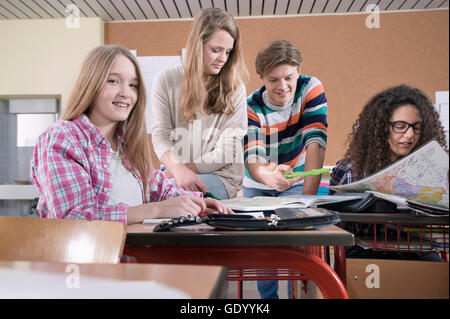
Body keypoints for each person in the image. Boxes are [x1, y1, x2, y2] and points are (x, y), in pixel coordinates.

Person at [30, 45, 232, 225]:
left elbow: (161, 190)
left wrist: (197, 202)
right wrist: (155, 210)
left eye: (133, 85)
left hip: (133, 258)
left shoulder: (126, 146)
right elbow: (73, 218)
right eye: (113, 81)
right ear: (90, 84)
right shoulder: (62, 137)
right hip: (85, 264)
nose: (126, 93)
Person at [243, 40, 328, 299]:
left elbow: (315, 139)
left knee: (300, 239)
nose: (282, 86)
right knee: (264, 246)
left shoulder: (310, 88)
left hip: (298, 177)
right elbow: (253, 156)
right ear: (261, 78)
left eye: (289, 77)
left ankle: (300, 293)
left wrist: (307, 198)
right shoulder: (250, 106)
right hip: (259, 182)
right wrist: (268, 176)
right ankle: (269, 300)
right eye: (273, 80)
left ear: (299, 70)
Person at [329, 84, 448, 260]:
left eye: (416, 127)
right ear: (381, 127)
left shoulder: (430, 170)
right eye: (400, 126)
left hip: (416, 251)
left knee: (436, 273)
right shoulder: (349, 170)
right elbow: (335, 227)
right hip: (365, 254)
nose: (409, 135)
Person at [150, 8, 248, 200]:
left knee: (164, 195)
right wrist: (176, 169)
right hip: (177, 170)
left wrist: (180, 170)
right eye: (216, 50)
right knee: (146, 193)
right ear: (197, 45)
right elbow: (161, 135)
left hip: (221, 176)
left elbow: (227, 150)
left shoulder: (236, 88)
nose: (223, 59)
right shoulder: (165, 80)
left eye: (228, 52)